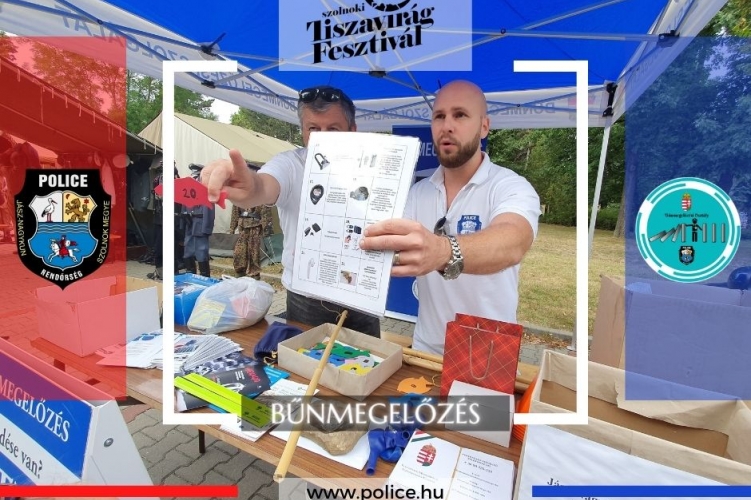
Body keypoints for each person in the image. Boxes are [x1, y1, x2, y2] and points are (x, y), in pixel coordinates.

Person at [359, 80, 541, 355]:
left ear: (484, 126)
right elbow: (385, 245)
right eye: (439, 116)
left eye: (460, 115)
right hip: (427, 347)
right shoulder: (417, 193)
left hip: (489, 355)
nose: (447, 126)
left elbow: (513, 241)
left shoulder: (510, 186)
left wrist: (443, 251)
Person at [201, 85, 381, 337]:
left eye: (333, 129)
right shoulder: (290, 164)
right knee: (303, 361)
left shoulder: (375, 170)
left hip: (362, 297)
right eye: (313, 129)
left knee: (370, 360)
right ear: (303, 130)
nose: (323, 138)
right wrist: (250, 186)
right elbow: (263, 185)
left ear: (352, 130)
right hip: (307, 300)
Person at [230, 177, 272, 279]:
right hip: (243, 226)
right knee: (240, 251)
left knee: (254, 251)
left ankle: (254, 274)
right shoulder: (239, 192)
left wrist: (266, 229)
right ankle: (240, 271)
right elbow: (235, 211)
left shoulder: (260, 193)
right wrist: (232, 227)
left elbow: (265, 211)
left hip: (255, 226)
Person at [182, 163, 215, 277]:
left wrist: (207, 227)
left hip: (200, 222)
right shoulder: (189, 186)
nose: (193, 177)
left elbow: (209, 208)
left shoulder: (206, 187)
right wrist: (184, 217)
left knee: (201, 249)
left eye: (196, 176)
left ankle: (204, 276)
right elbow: (184, 203)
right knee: (188, 248)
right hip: (190, 222)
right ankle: (190, 273)